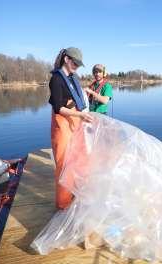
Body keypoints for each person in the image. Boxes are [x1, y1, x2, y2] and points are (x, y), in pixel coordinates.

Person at [49, 47, 93, 210]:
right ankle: (63, 204)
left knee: (80, 159)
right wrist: (80, 116)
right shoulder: (56, 79)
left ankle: (76, 193)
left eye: (79, 64)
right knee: (64, 165)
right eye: (75, 63)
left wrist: (84, 115)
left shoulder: (74, 78)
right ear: (67, 59)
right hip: (62, 124)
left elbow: (78, 100)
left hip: (75, 121)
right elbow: (59, 108)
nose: (77, 66)